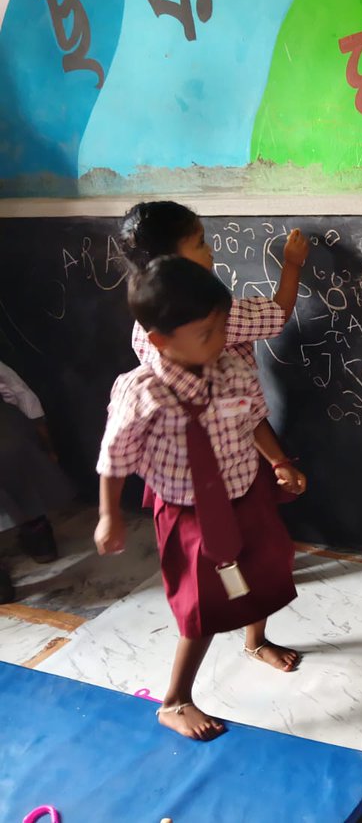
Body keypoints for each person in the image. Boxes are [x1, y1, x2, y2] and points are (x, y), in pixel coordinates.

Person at [95, 257, 307, 740]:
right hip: (190, 513)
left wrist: (279, 463)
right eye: (208, 332)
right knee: (202, 605)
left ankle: (256, 641)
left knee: (264, 570)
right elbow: (114, 457)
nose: (222, 340)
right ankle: (175, 701)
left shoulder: (231, 366)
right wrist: (109, 515)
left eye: (222, 327)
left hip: (244, 492)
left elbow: (253, 418)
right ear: (160, 341)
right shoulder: (142, 392)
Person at [118, 201, 308, 508]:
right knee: (241, 524)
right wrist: (293, 264)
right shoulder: (213, 319)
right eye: (199, 243)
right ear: (171, 261)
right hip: (228, 458)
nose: (211, 251)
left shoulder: (147, 321)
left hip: (176, 472)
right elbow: (278, 313)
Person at [0, 360, 71, 603]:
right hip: (8, 434)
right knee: (24, 480)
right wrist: (46, 445)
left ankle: (2, 588)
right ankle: (43, 545)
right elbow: (25, 397)